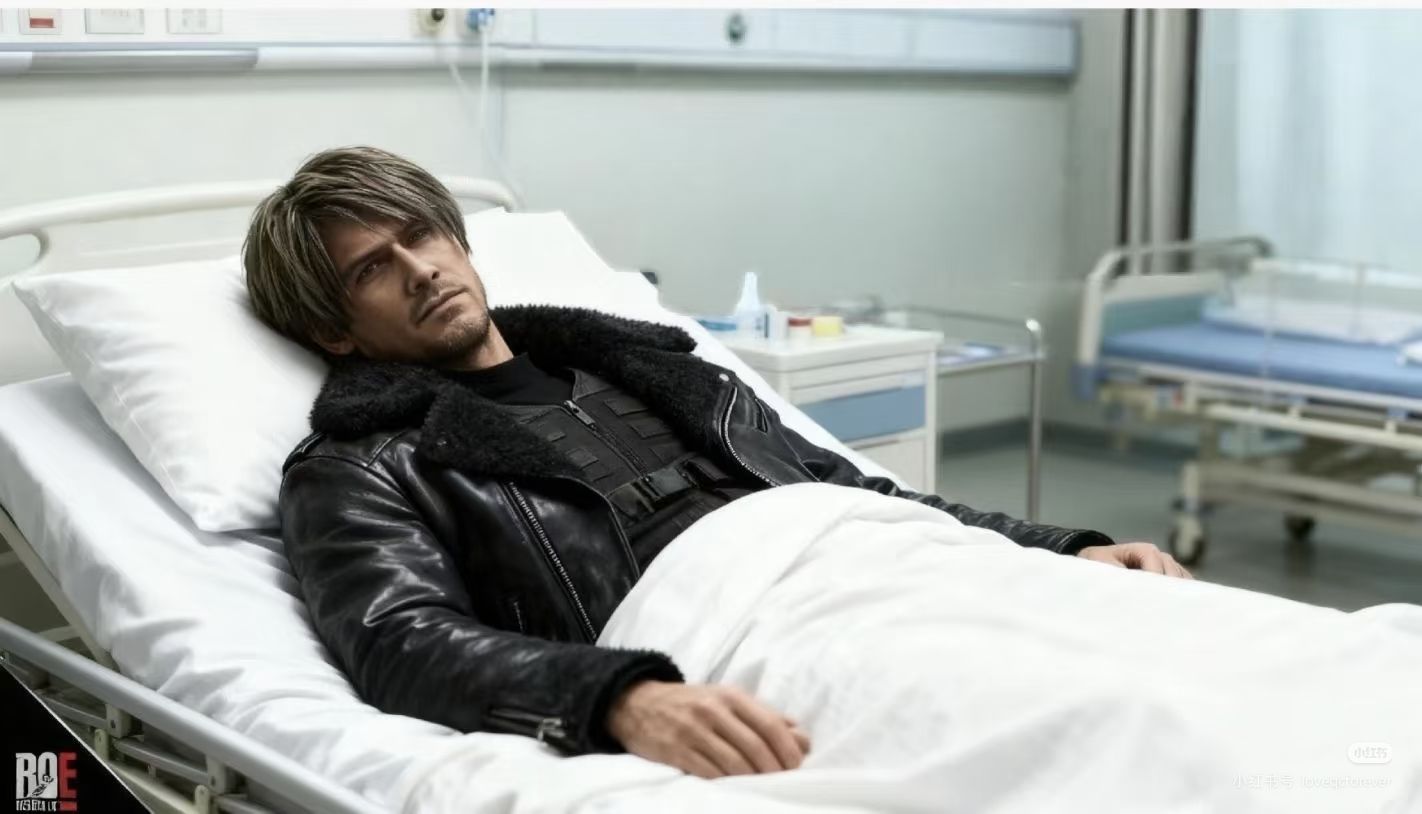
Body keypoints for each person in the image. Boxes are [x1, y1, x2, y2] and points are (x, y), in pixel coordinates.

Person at [243, 146, 1192, 780]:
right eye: (372, 268)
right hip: (727, 630)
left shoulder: (653, 368)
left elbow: (852, 491)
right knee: (1087, 723)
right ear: (335, 330)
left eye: (421, 236)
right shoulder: (360, 467)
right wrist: (619, 699)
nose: (419, 269)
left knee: (1158, 657)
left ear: (457, 240)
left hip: (872, 566)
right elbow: (402, 641)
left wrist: (1056, 548)